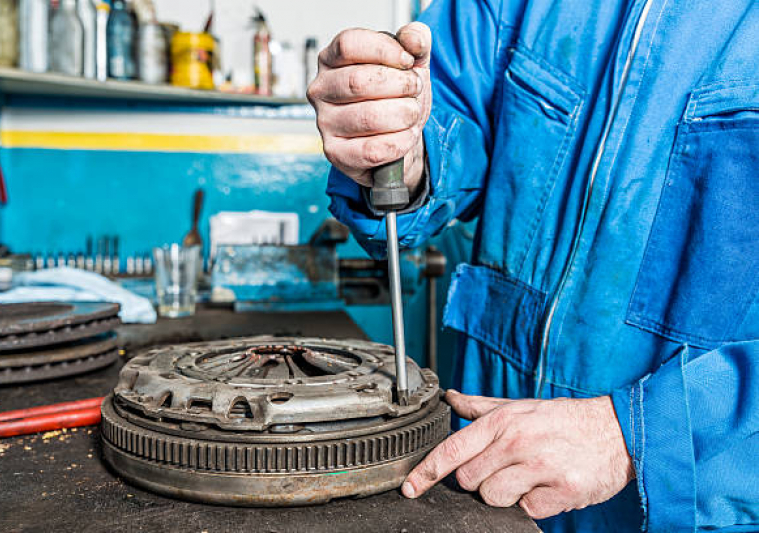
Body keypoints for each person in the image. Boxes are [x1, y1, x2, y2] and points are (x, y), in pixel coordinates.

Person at [306, 0, 758, 532]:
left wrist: (639, 433)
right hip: (482, 487)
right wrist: (395, 151)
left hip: (683, 509)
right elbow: (445, 120)